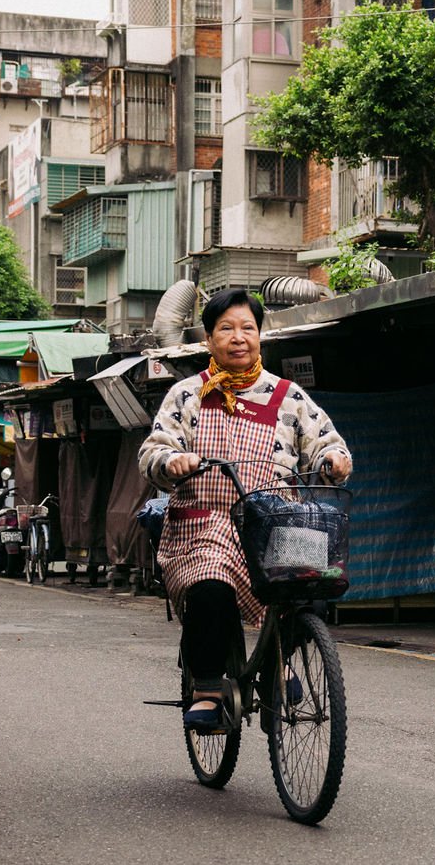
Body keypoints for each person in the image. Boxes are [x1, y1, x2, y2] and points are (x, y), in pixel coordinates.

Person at [140, 288, 351, 733]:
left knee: (314, 584)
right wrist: (171, 461)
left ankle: (277, 666)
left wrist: (334, 461)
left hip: (276, 521)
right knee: (210, 586)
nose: (239, 338)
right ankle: (210, 687)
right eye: (226, 329)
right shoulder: (187, 395)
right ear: (209, 338)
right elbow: (153, 451)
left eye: (248, 328)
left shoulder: (289, 396)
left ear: (260, 336)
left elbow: (326, 443)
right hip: (204, 522)